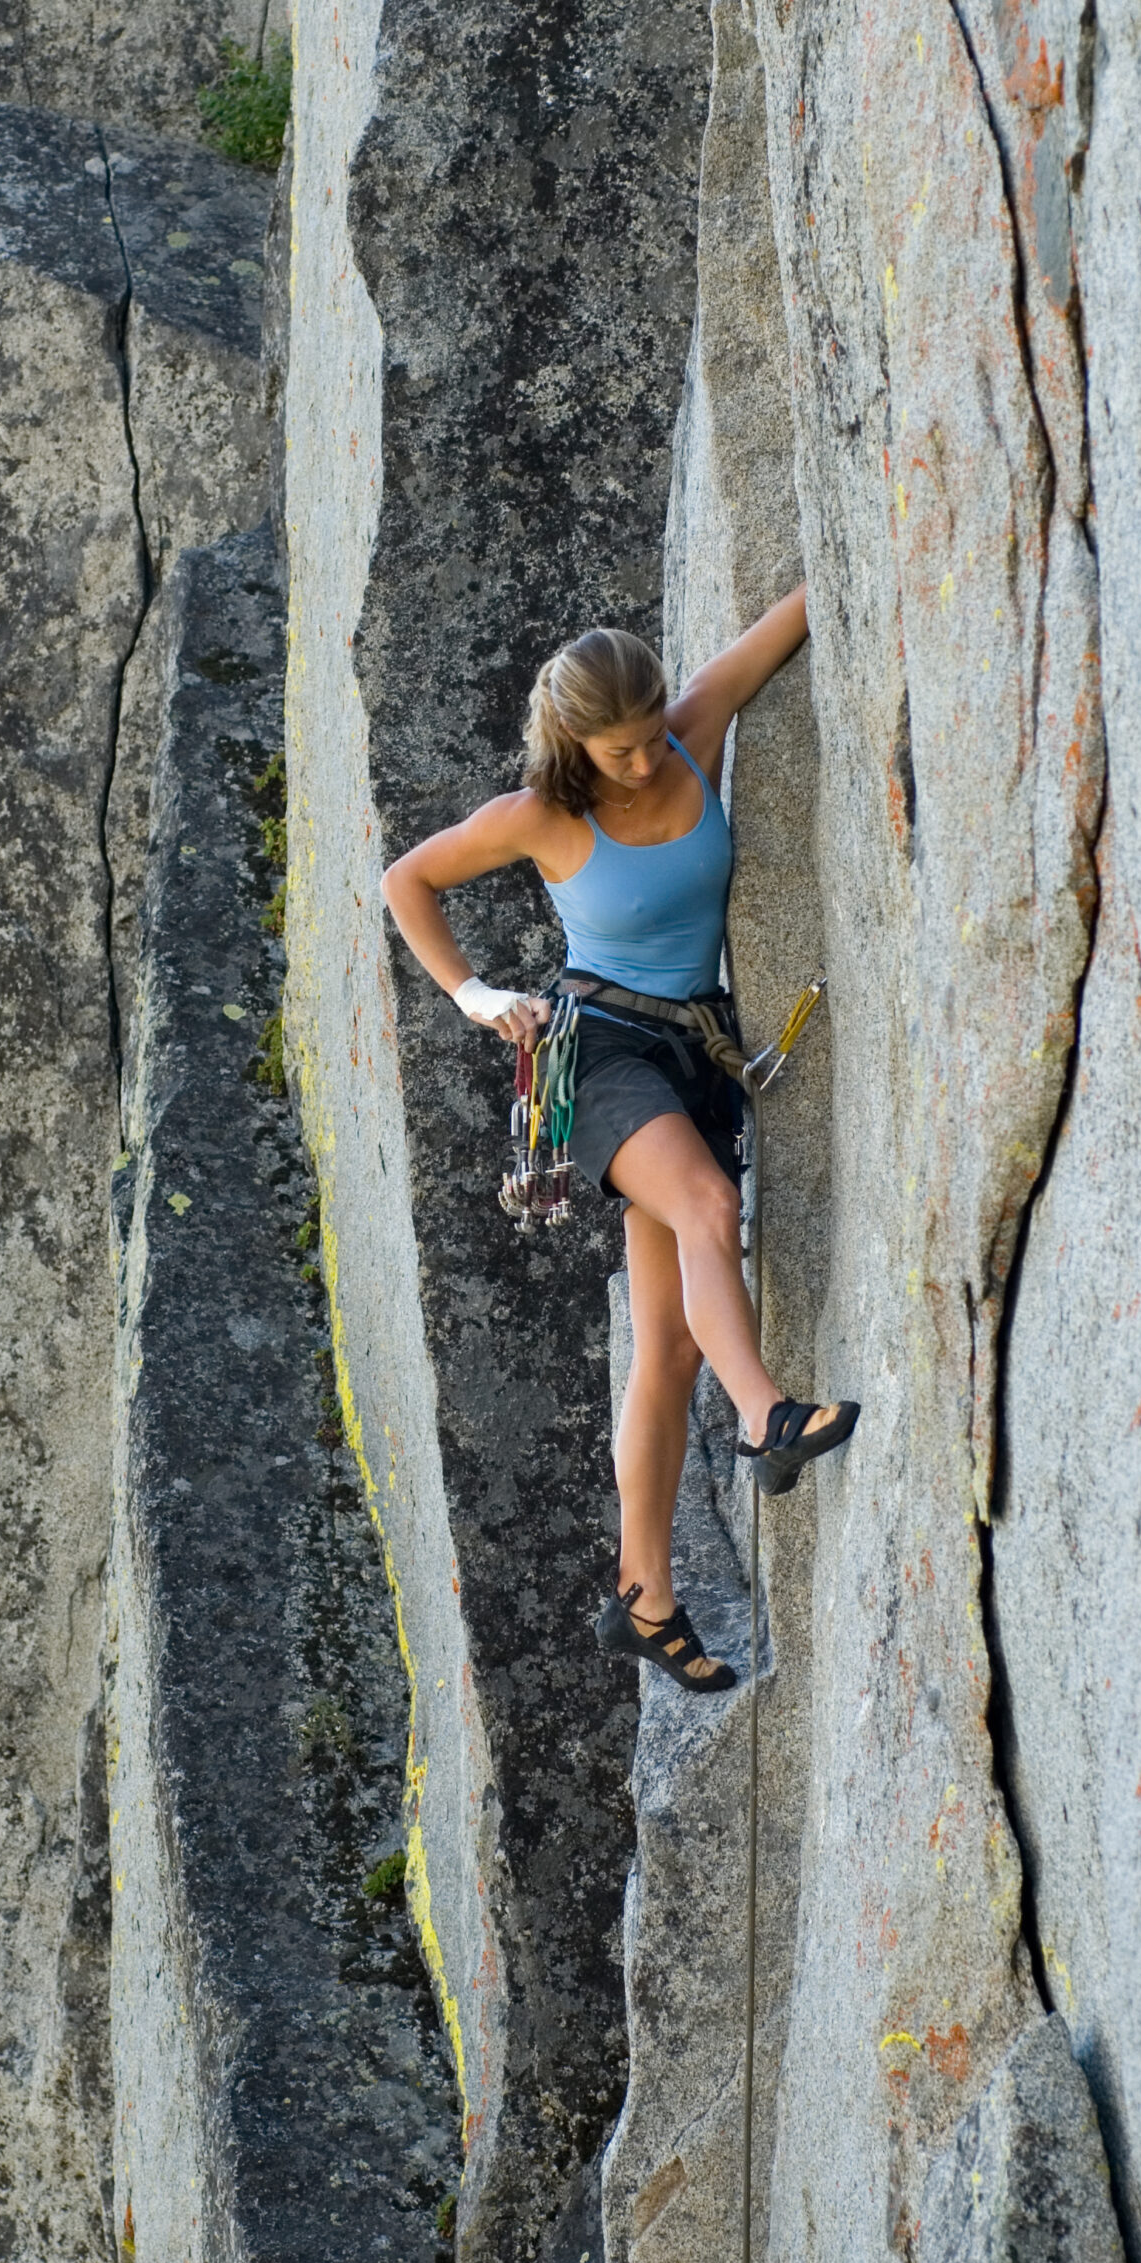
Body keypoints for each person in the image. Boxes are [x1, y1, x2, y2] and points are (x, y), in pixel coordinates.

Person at [381, 588, 858, 1694]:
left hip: (694, 1053)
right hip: (596, 1053)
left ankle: (645, 1595)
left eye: (650, 738)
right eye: (619, 748)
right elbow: (408, 878)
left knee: (668, 1344)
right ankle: (767, 1413)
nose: (644, 761)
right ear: (572, 743)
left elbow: (789, 617)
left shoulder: (688, 731)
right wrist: (472, 993)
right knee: (706, 1209)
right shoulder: (544, 814)